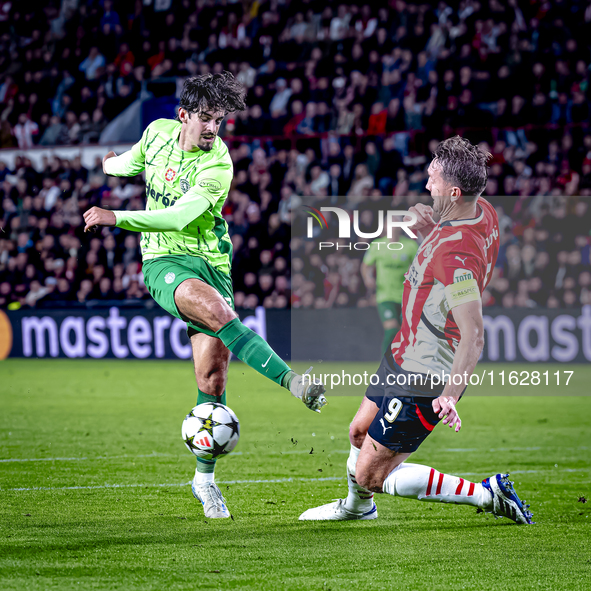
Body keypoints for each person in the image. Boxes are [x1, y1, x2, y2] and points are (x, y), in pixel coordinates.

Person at [83, 72, 326, 519]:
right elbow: (130, 163)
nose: (214, 128)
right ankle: (294, 382)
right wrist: (108, 166)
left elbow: (179, 216)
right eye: (207, 119)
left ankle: (203, 480)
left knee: (212, 380)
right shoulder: (156, 134)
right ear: (183, 116)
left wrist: (114, 216)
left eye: (220, 120)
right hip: (163, 263)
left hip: (211, 264)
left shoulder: (219, 165)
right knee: (216, 311)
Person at [300, 136, 534, 525]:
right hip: (403, 350)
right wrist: (433, 229)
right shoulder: (485, 210)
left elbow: (474, 332)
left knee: (372, 474)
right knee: (359, 433)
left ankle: (488, 495)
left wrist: (450, 394)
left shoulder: (455, 255)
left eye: (433, 179)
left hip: (426, 370)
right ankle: (357, 508)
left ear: (455, 190)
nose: (427, 185)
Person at [361, 226, 418, 354]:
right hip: (385, 296)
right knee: (391, 330)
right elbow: (366, 265)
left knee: (406, 332)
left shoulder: (410, 245)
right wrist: (368, 278)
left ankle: (402, 363)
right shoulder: (377, 245)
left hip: (406, 295)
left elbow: (418, 266)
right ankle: (385, 365)